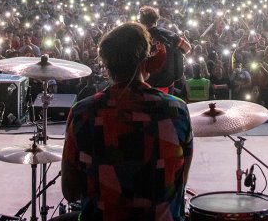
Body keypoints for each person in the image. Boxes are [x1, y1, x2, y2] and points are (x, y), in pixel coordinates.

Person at [61, 22, 193, 221]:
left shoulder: (83, 113)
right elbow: (180, 181)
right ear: (146, 60)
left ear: (107, 66)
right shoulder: (177, 110)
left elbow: (70, 192)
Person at [138, 6, 191, 95]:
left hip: (146, 85)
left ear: (140, 21)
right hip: (166, 83)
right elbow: (187, 48)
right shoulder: (169, 34)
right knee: (166, 107)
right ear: (156, 20)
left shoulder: (137, 37)